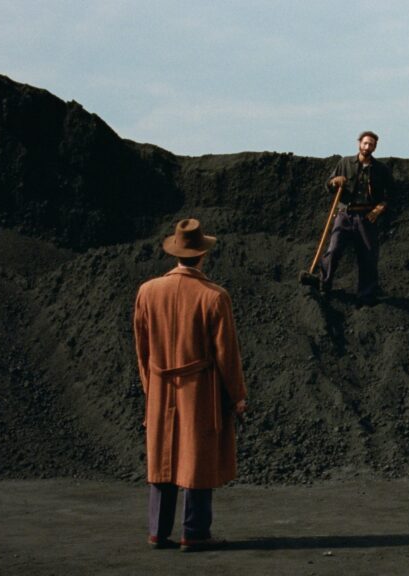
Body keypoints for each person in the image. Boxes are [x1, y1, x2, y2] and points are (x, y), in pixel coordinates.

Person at [133, 218, 248, 551]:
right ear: (202, 255)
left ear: (176, 253)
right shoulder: (214, 296)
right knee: (197, 456)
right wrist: (237, 396)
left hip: (159, 385)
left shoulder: (147, 291)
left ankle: (158, 530)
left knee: (163, 455)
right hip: (199, 389)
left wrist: (151, 386)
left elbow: (141, 349)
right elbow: (227, 354)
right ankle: (195, 533)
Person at [318, 130, 393, 305]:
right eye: (365, 143)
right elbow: (328, 185)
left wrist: (379, 208)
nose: (368, 147)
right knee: (333, 250)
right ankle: (324, 285)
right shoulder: (345, 163)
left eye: (371, 144)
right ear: (359, 143)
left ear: (375, 147)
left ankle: (366, 296)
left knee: (368, 255)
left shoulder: (380, 170)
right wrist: (335, 181)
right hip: (344, 214)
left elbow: (391, 193)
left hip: (366, 217)